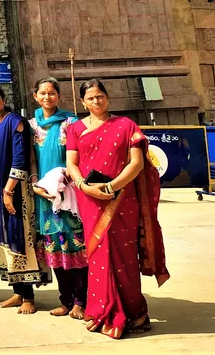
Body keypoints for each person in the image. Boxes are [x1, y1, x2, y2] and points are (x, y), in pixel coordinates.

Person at [66, 79, 169, 339]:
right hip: (90, 198)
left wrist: (112, 187)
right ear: (83, 102)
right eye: (91, 98)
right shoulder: (75, 129)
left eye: (100, 96)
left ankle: (134, 312)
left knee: (123, 255)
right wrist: (84, 186)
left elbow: (136, 164)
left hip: (122, 198)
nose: (96, 101)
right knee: (99, 254)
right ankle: (102, 310)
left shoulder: (126, 126)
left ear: (107, 98)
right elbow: (72, 163)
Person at [0, 84, 51, 315]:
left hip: (13, 187)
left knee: (20, 236)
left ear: (3, 99)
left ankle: (29, 296)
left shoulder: (15, 122)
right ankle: (18, 292)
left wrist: (8, 192)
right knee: (3, 238)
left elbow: (20, 158)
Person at [29, 77, 88, 319]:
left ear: (59, 96)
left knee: (76, 247)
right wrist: (35, 183)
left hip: (69, 193)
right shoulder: (31, 126)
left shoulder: (71, 122)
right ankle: (64, 300)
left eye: (52, 93)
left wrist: (66, 179)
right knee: (54, 247)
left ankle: (80, 301)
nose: (47, 97)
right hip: (44, 196)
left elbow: (79, 156)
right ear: (35, 96)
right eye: (42, 93)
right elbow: (30, 158)